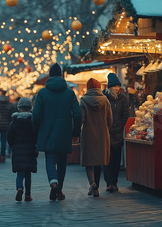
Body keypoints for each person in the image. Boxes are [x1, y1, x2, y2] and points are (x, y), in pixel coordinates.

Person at [32, 63, 81, 201]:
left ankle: (53, 183)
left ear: (50, 75)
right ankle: (59, 190)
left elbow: (35, 116)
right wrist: (76, 132)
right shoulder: (69, 93)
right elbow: (77, 113)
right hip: (64, 132)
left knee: (50, 158)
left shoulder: (42, 93)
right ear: (61, 75)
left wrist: (36, 133)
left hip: (47, 132)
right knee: (62, 161)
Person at [80, 78, 112, 197]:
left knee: (88, 162)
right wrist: (105, 129)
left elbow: (81, 119)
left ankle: (92, 183)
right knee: (99, 161)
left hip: (88, 134)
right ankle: (96, 187)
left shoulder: (83, 101)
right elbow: (110, 119)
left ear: (88, 88)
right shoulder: (105, 100)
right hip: (102, 135)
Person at [7, 97, 38, 202]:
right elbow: (35, 135)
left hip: (18, 150)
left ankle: (19, 188)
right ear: (30, 108)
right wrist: (35, 146)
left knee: (20, 173)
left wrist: (13, 145)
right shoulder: (32, 121)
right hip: (29, 150)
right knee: (28, 174)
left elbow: (9, 136)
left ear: (18, 108)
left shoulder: (14, 122)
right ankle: (28, 195)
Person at [102, 72, 129, 192]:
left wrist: (120, 126)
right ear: (110, 87)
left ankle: (114, 182)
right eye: (115, 86)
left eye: (118, 86)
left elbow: (125, 115)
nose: (117, 88)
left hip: (118, 132)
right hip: (106, 133)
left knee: (116, 160)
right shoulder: (104, 98)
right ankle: (109, 183)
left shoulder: (123, 98)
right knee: (107, 159)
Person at [0, 89, 15, 163]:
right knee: (3, 141)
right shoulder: (10, 105)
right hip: (6, 125)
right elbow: (12, 116)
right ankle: (2, 156)